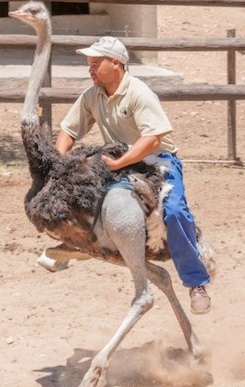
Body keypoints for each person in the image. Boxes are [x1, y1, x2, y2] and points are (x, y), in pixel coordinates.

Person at [55, 36, 212, 314]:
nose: (89, 70)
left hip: (157, 162)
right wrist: (60, 160)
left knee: (174, 211)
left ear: (115, 63)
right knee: (79, 191)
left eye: (94, 64)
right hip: (120, 161)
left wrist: (119, 164)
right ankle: (77, 243)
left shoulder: (139, 93)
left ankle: (196, 282)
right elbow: (68, 130)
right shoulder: (94, 94)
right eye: (89, 64)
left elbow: (152, 139)